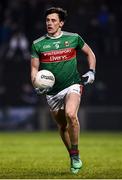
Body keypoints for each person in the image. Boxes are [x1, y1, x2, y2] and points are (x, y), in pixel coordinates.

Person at [31, 7, 96, 174]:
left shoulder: (73, 38)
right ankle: (72, 154)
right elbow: (34, 68)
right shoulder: (38, 44)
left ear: (61, 23)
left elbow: (90, 53)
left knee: (71, 115)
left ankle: (75, 156)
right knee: (62, 126)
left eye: (53, 20)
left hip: (72, 84)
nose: (50, 23)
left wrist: (91, 71)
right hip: (52, 92)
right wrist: (35, 84)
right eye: (47, 20)